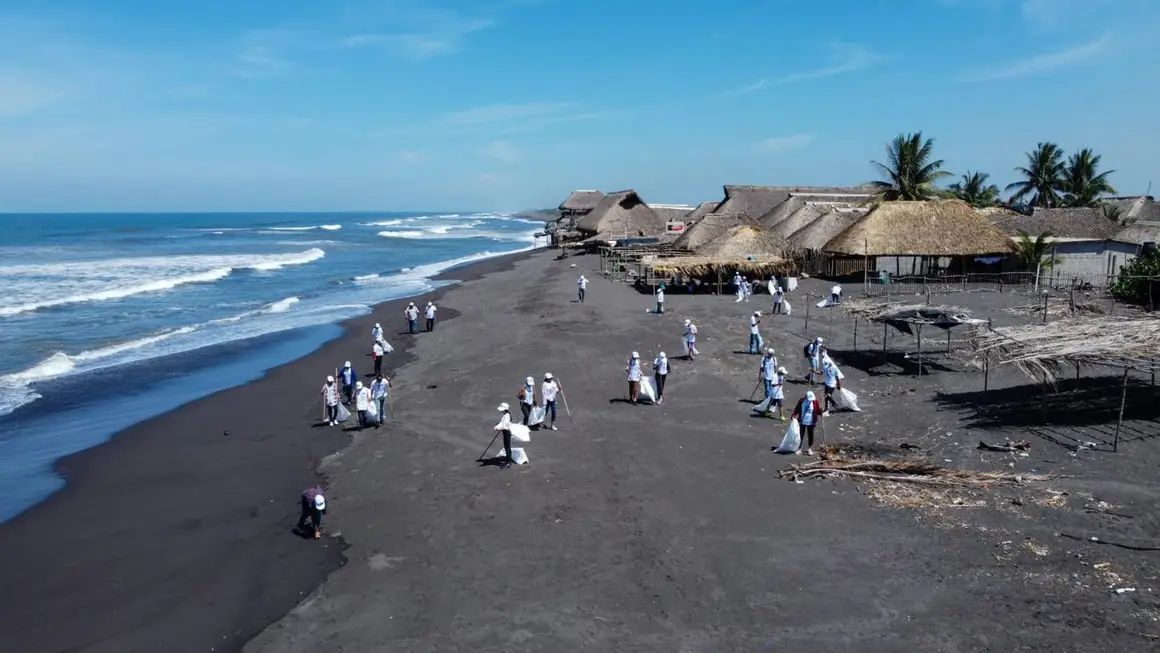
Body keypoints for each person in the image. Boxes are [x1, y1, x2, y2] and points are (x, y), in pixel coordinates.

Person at [791, 391, 823, 456]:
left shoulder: (815, 402)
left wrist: (821, 411)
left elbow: (817, 410)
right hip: (802, 421)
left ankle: (809, 448)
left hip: (811, 421)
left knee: (811, 435)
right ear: (806, 397)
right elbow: (797, 408)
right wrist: (794, 414)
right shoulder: (801, 401)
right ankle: (799, 448)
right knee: (800, 435)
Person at [494, 402, 514, 467]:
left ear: (504, 409)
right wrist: (497, 426)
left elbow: (504, 426)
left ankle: (509, 461)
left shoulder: (507, 416)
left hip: (507, 432)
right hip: (505, 432)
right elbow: (502, 423)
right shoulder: (505, 415)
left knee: (507, 446)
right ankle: (508, 457)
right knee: (506, 446)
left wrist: (498, 428)